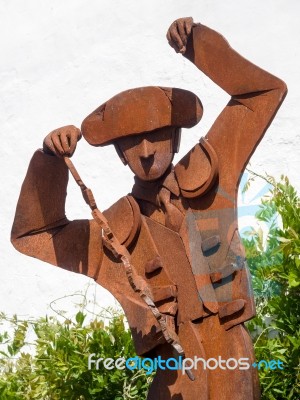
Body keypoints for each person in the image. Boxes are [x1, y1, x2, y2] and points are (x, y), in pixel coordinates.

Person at [11, 17, 287, 399]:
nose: (145, 152)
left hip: (233, 361)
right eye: (130, 143)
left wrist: (200, 47)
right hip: (173, 378)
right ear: (120, 155)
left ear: (174, 136)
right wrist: (49, 162)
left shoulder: (213, 170)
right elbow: (33, 235)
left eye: (155, 135)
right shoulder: (112, 235)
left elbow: (263, 95)